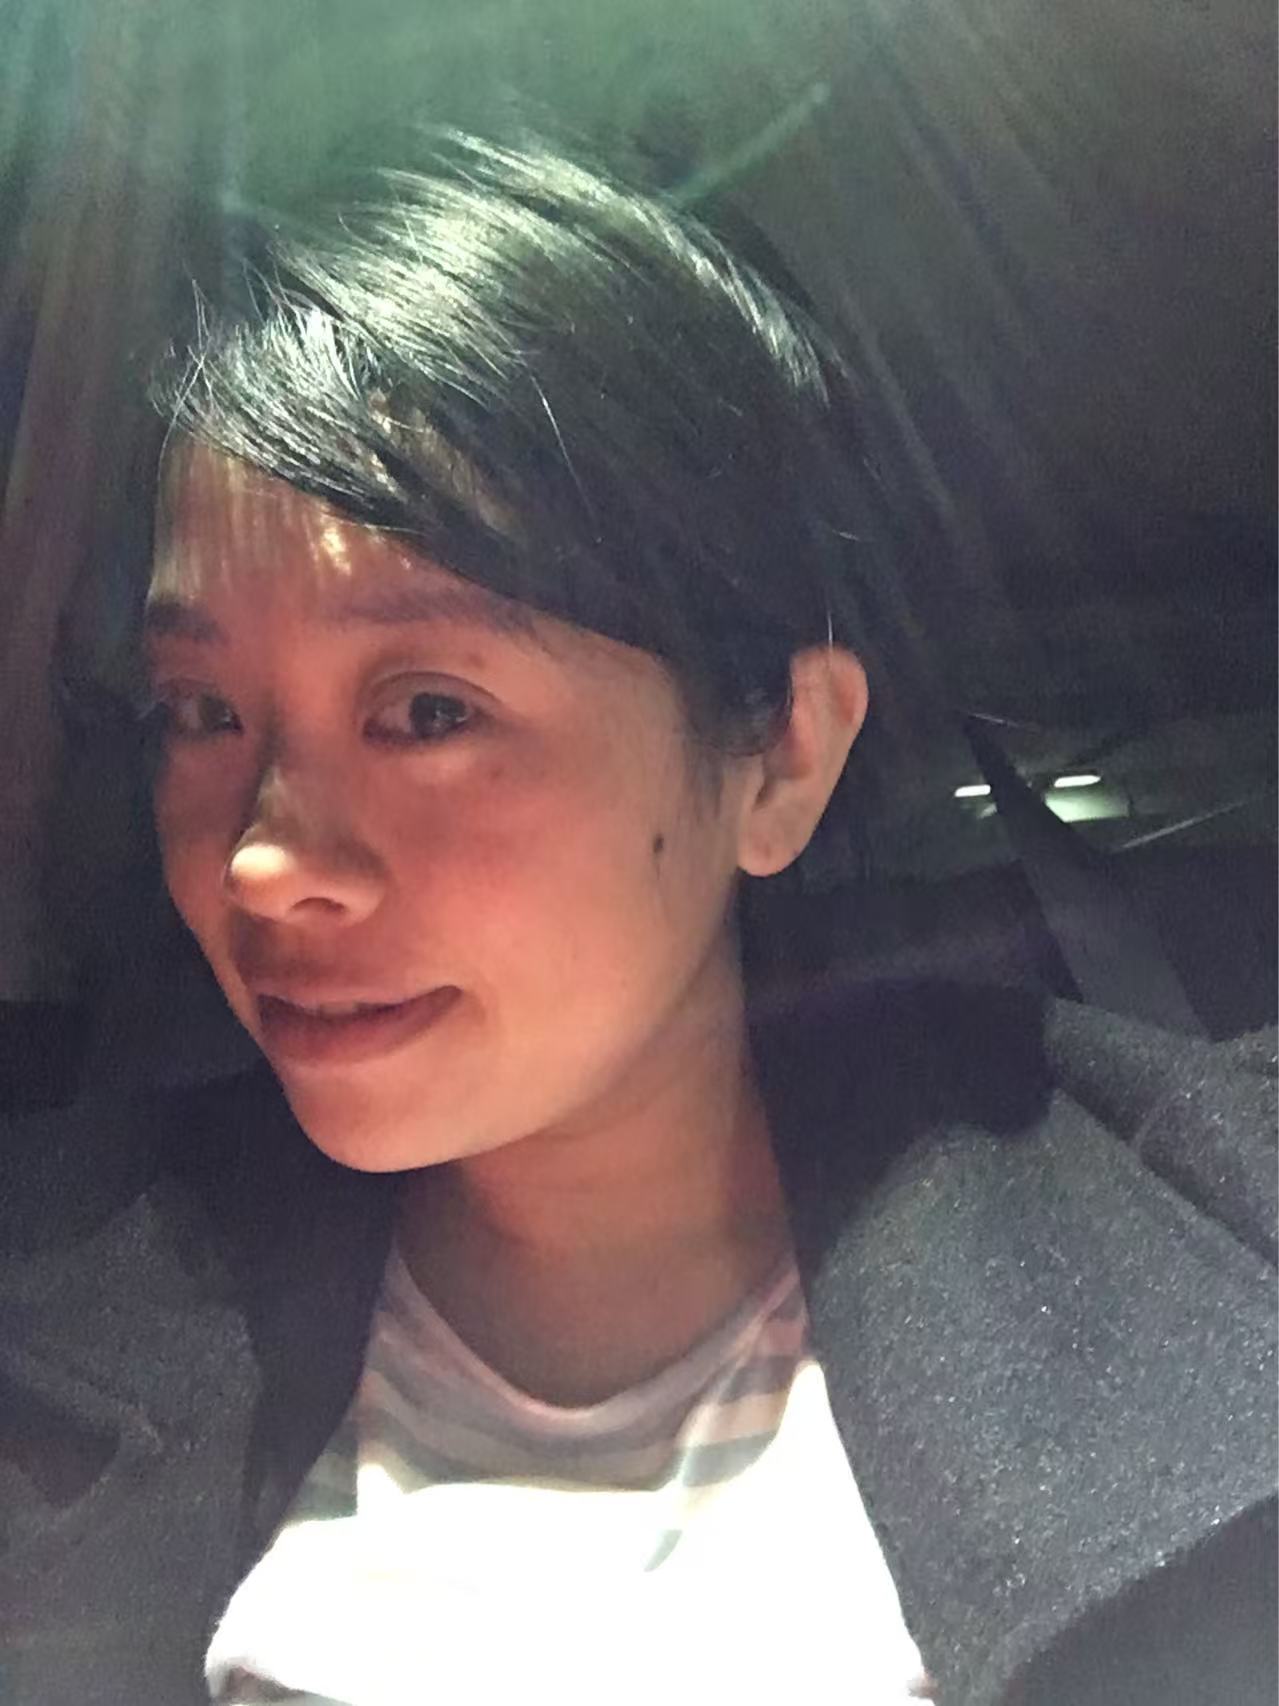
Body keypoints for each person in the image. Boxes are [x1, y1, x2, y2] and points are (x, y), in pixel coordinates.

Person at [1, 130, 1274, 1706]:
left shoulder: (1223, 1228)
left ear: (779, 758)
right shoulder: (53, 1292)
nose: (261, 863)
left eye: (428, 709)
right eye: (201, 710)